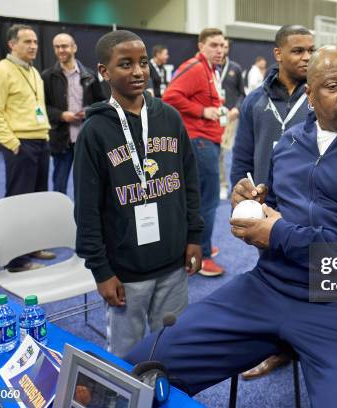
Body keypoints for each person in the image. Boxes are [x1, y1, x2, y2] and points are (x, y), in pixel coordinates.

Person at [126, 45, 337, 407]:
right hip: (271, 286)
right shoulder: (290, 143)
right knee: (139, 371)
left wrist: (279, 233)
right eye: (333, 86)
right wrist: (255, 208)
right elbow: (283, 214)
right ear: (311, 98)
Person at [73, 30, 204, 358]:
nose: (138, 71)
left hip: (173, 263)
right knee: (126, 358)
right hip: (125, 271)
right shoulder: (95, 131)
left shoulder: (169, 118)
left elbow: (190, 181)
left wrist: (194, 236)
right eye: (125, 64)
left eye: (143, 63)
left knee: (173, 350)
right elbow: (86, 209)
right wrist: (101, 270)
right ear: (104, 72)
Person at [231, 24, 314, 380]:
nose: (307, 57)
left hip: (312, 204)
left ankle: (313, 345)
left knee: (313, 272)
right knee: (273, 275)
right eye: (298, 51)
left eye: (311, 50)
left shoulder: (319, 95)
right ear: (278, 54)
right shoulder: (255, 100)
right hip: (267, 205)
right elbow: (242, 157)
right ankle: (280, 347)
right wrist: (241, 193)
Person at [0, 24, 55, 271]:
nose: (33, 46)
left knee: (36, 201)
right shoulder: (1, 71)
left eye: (35, 41)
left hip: (40, 141)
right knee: (17, 202)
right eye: (27, 42)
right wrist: (13, 144)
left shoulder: (33, 72)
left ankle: (32, 246)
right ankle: (15, 261)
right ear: (12, 44)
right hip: (21, 144)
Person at [163, 28, 228, 277]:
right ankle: (202, 254)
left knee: (199, 199)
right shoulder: (196, 67)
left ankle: (198, 246)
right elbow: (170, 97)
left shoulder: (210, 69)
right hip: (199, 142)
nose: (219, 50)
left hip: (206, 140)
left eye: (222, 45)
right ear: (201, 46)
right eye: (213, 45)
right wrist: (202, 111)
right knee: (207, 201)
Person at [42, 33, 105, 194]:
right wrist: (61, 115)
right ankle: (58, 217)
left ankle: (82, 218)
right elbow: (41, 107)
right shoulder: (47, 77)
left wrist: (89, 111)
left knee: (85, 185)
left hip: (85, 139)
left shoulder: (90, 75)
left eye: (64, 46)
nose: (60, 50)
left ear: (74, 48)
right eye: (57, 47)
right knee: (59, 184)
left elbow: (101, 102)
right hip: (61, 140)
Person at [218, 38, 245, 199]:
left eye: (224, 46)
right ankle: (220, 183)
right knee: (217, 151)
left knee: (225, 150)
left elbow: (242, 93)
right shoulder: (208, 68)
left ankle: (225, 185)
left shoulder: (235, 68)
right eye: (219, 45)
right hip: (213, 116)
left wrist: (236, 108)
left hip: (230, 116)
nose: (221, 49)